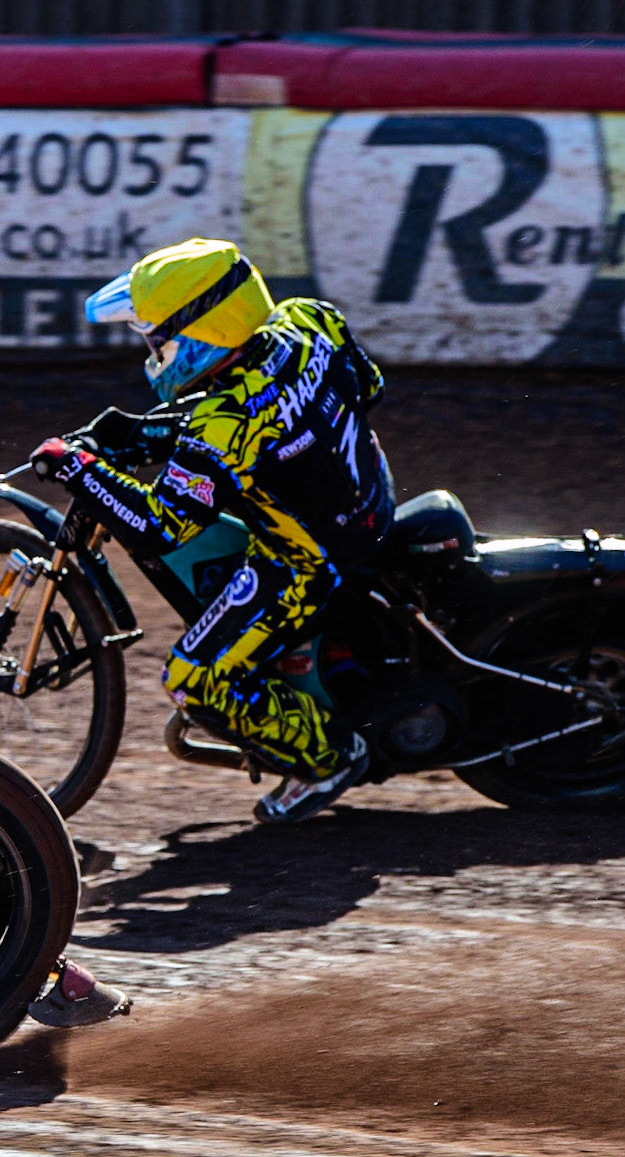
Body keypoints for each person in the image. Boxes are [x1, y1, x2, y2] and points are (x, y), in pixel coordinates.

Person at [31, 238, 393, 824]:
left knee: (195, 680)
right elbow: (369, 386)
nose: (151, 348)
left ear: (203, 331)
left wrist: (80, 468)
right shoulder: (310, 319)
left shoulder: (221, 423)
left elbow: (160, 525)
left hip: (311, 562)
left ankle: (331, 760)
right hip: (374, 500)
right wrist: (154, 436)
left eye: (157, 337)